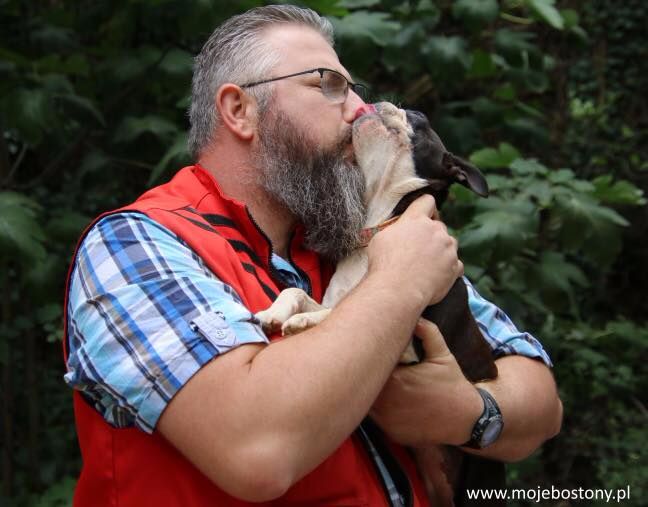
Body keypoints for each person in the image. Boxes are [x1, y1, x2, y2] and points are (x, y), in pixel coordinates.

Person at [63, 5, 562, 506]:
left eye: (353, 88)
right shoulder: (133, 245)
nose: (359, 108)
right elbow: (256, 451)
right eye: (328, 85)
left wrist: (469, 413)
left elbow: (542, 400)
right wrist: (400, 283)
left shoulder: (355, 239)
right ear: (239, 110)